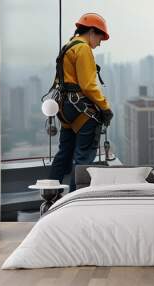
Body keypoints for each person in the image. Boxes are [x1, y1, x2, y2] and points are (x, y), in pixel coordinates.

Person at [48, 13, 113, 191]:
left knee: (64, 154)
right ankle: (75, 202)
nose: (100, 43)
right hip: (82, 110)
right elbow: (88, 85)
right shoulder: (83, 49)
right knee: (83, 159)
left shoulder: (68, 47)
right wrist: (105, 108)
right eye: (100, 37)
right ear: (92, 31)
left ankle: (51, 195)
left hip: (65, 109)